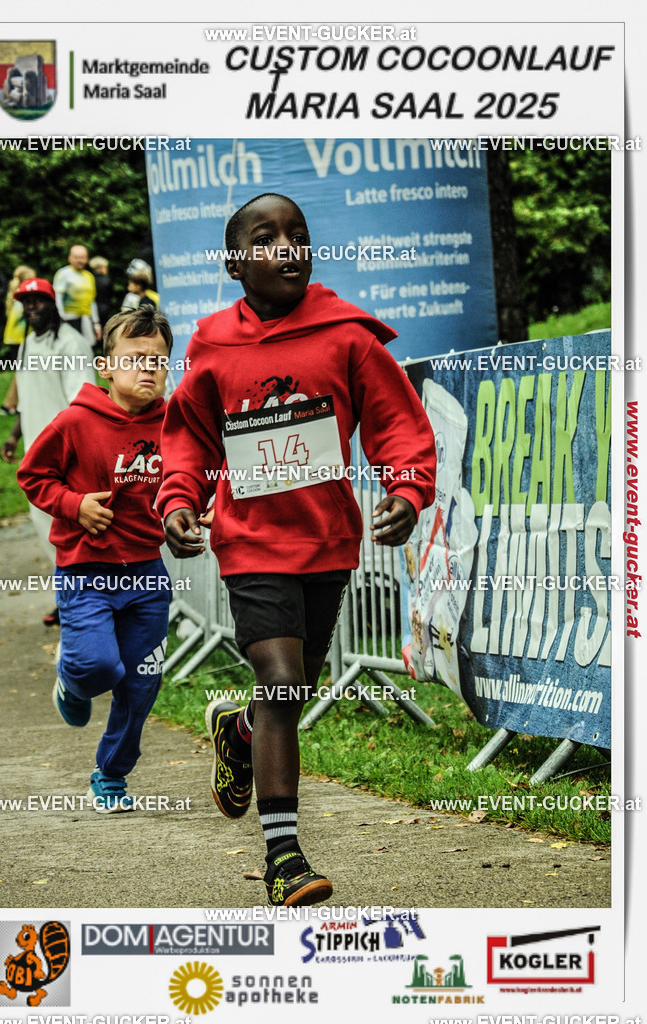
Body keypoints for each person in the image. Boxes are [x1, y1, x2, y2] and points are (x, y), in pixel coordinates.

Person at [158, 193, 437, 905]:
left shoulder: (346, 337)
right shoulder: (213, 344)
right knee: (281, 675)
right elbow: (188, 435)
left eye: (297, 235)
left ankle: (240, 729)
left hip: (328, 540)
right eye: (264, 237)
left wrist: (405, 489)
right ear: (234, 263)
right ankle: (284, 856)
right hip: (250, 541)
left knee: (292, 690)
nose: (284, 247)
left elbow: (395, 422)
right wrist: (180, 499)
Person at [16, 306, 173, 812]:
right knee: (98, 667)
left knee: (142, 682)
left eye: (159, 360)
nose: (147, 369)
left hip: (148, 573)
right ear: (106, 367)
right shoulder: (75, 421)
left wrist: (194, 510)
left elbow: (190, 479)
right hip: (85, 572)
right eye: (135, 359)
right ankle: (72, 679)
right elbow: (32, 476)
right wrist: (73, 504)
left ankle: (110, 774)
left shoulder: (176, 425)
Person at [0, 278, 96, 625]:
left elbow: (80, 403)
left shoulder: (72, 344)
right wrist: (14, 436)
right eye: (26, 303)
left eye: (38, 301)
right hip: (36, 457)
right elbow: (27, 397)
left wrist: (74, 453)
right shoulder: (27, 345)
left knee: (71, 529)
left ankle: (85, 601)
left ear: (52, 303)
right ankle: (67, 596)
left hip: (66, 456)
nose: (31, 309)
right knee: (44, 527)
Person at [0, 264, 36, 415]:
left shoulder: (15, 295)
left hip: (14, 338)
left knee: (22, 371)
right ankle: (10, 404)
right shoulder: (23, 298)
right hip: (21, 338)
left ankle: (11, 404)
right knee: (24, 372)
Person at [53, 244, 102, 348]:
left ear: (87, 259)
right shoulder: (63, 274)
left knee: (86, 348)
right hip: (68, 320)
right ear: (70, 258)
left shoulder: (89, 276)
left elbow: (92, 302)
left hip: (86, 320)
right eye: (76, 257)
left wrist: (96, 323)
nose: (80, 260)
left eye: (82, 257)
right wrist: (61, 318)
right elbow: (57, 298)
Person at [89, 255, 115, 333]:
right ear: (100, 268)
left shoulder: (90, 279)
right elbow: (110, 295)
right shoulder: (107, 280)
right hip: (105, 309)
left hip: (92, 310)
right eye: (105, 267)